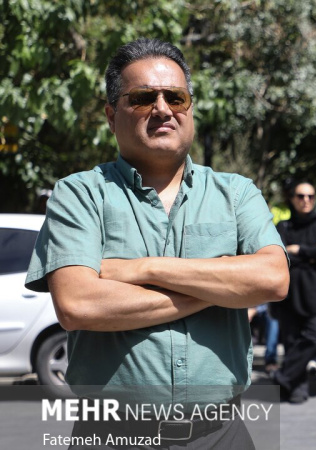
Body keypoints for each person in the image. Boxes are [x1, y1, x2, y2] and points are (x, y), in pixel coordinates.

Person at [24, 38, 289, 447]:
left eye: (176, 97)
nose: (163, 109)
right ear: (111, 116)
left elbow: (273, 279)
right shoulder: (80, 194)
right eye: (143, 98)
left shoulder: (236, 193)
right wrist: (221, 289)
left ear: (190, 108)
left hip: (221, 435)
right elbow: (78, 304)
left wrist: (143, 269)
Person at [272, 180, 316, 404]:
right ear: (292, 199)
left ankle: (282, 376)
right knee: (291, 340)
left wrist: (298, 249)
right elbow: (279, 256)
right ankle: (295, 389)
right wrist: (310, 254)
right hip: (289, 292)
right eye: (301, 196)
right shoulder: (284, 226)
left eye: (310, 196)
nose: (306, 200)